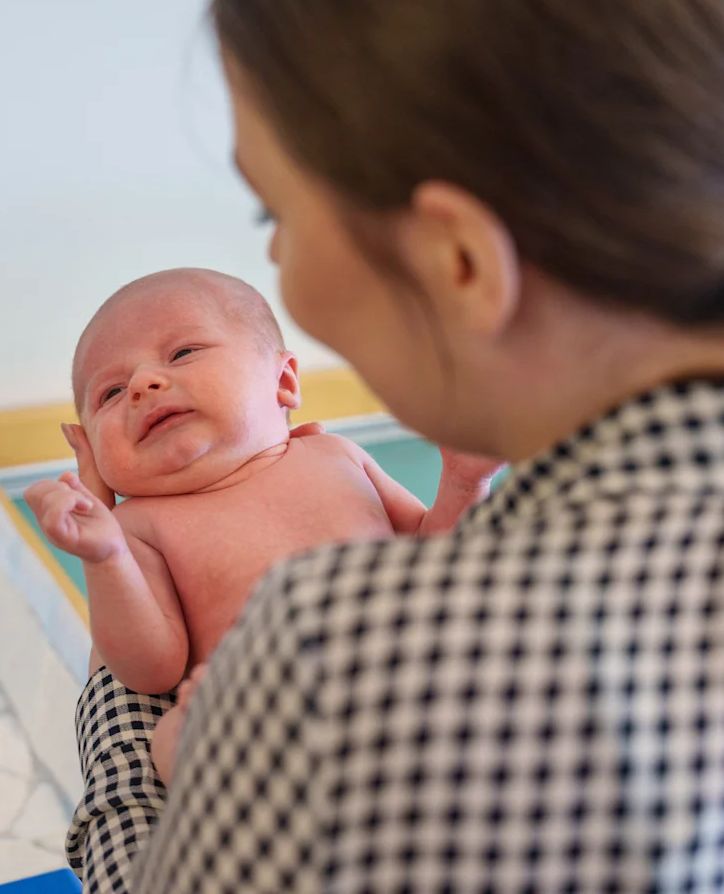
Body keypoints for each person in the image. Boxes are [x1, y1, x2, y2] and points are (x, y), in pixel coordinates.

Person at [66, 0, 724, 890]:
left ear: (459, 262)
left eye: (273, 210)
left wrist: (130, 697)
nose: (277, 257)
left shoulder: (335, 666)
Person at [25, 268, 497, 781]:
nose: (141, 384)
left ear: (284, 382)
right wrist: (105, 558)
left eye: (182, 353)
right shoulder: (137, 526)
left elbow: (440, 561)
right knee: (171, 739)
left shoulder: (335, 455)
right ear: (92, 448)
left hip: (422, 673)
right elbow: (149, 669)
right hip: (283, 730)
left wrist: (463, 482)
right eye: (110, 394)